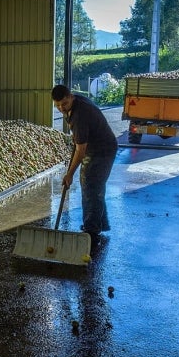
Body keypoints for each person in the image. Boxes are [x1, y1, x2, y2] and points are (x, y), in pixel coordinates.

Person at [51, 85, 118, 245]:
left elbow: (81, 150)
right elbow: (79, 142)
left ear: (71, 97)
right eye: (57, 105)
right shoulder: (76, 104)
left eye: (64, 104)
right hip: (98, 147)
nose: (61, 108)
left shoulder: (80, 115)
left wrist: (69, 174)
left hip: (102, 151)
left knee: (90, 185)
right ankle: (99, 223)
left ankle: (91, 231)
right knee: (94, 187)